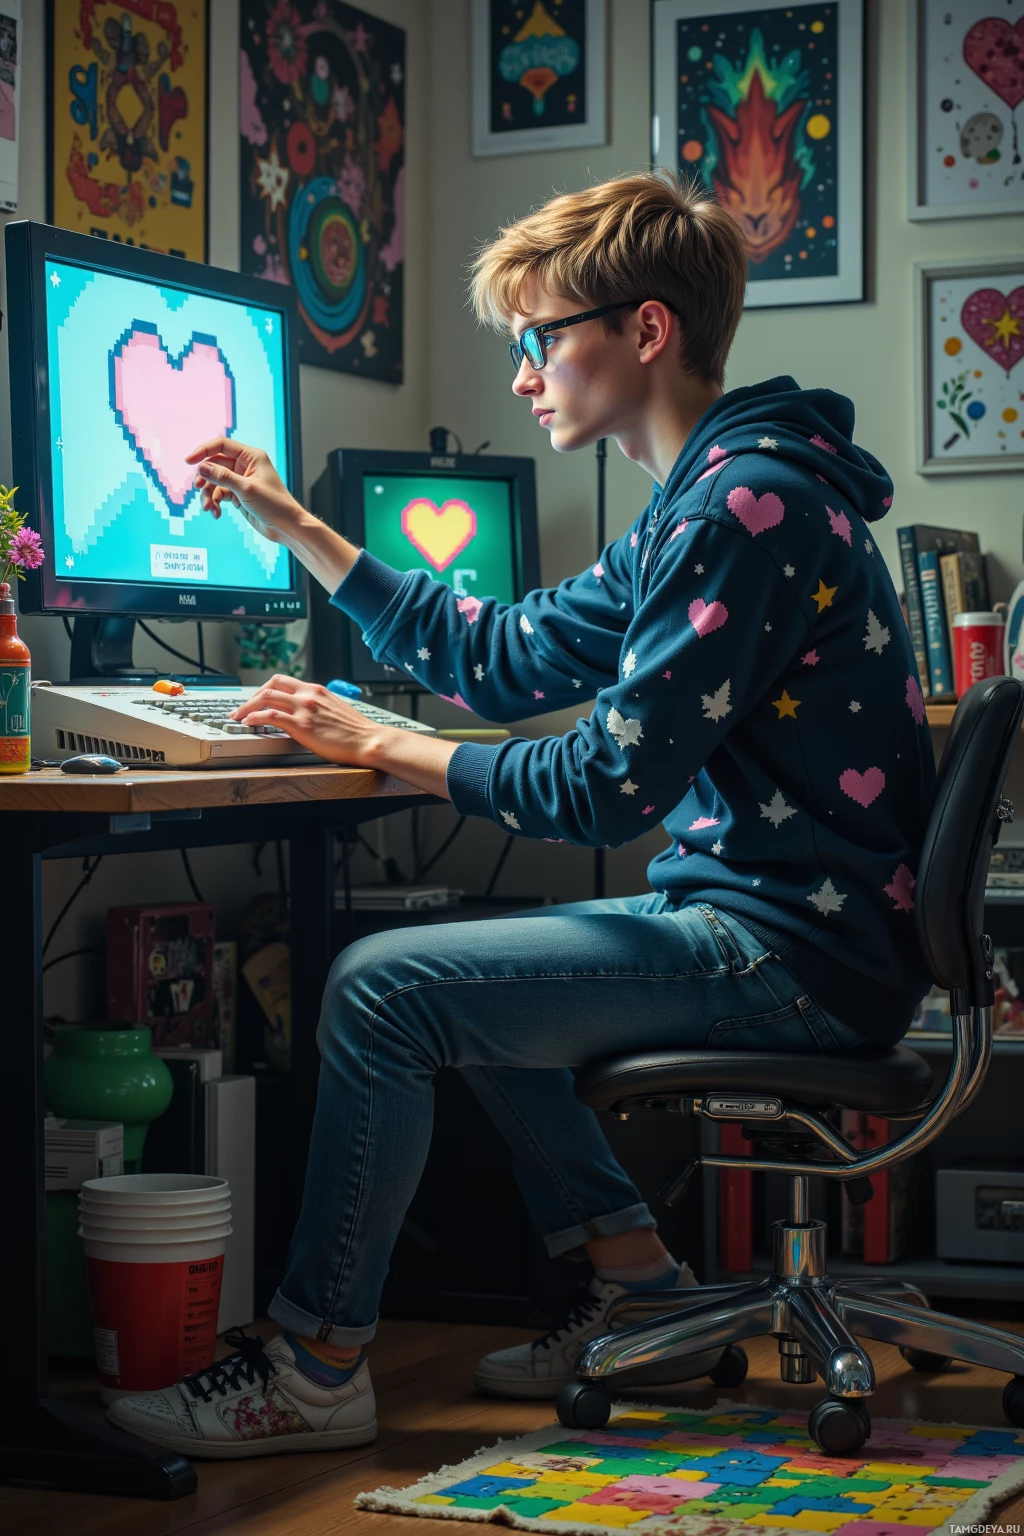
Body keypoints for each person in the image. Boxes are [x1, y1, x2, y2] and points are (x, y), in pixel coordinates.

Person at [106, 171, 935, 1459]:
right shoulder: (710, 495)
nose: (522, 374)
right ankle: (643, 1285)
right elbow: (502, 657)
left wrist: (391, 744)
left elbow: (605, 783)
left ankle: (318, 1366)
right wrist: (306, 531)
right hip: (777, 927)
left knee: (389, 988)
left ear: (643, 332)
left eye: (540, 338)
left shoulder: (738, 510)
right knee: (474, 963)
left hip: (793, 955)